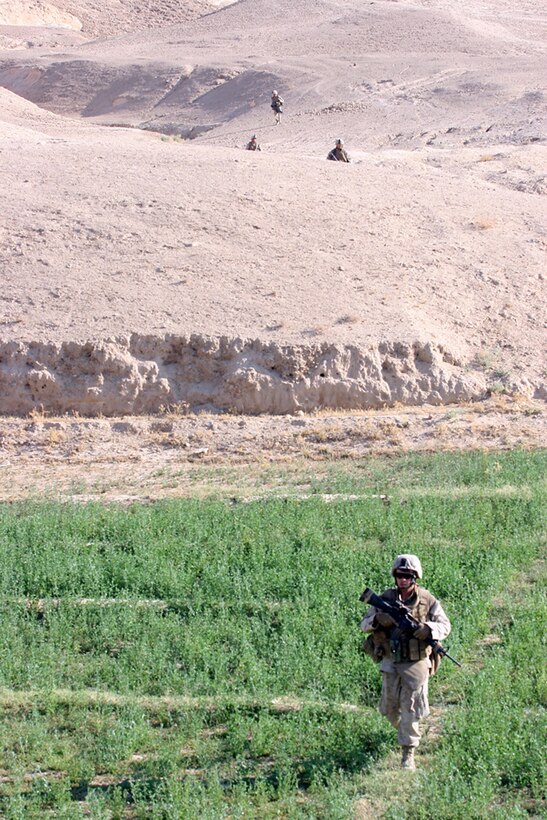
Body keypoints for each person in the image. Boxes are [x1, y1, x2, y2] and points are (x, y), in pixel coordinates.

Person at [360, 554, 451, 771]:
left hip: (416, 662)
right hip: (391, 661)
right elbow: (364, 625)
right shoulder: (386, 599)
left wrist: (428, 629)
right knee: (390, 708)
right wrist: (377, 620)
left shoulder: (427, 600)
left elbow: (445, 625)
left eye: (408, 576)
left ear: (415, 577)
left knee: (410, 706)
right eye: (400, 575)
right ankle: (406, 730)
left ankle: (408, 752)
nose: (403, 579)